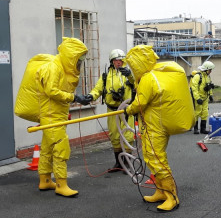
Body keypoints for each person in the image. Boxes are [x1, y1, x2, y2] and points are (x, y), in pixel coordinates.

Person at [124, 45, 195, 212]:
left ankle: (172, 196)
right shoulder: (158, 74)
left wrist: (127, 110)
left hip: (155, 128)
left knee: (157, 160)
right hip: (155, 126)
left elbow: (139, 103)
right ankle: (161, 191)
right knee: (152, 158)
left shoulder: (149, 78)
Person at [15, 37, 88, 197]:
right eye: (78, 58)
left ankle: (45, 180)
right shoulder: (53, 68)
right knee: (61, 148)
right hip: (51, 116)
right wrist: (74, 98)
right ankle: (61, 184)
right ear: (70, 55)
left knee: (48, 149)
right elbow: (52, 91)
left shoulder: (61, 68)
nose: (79, 62)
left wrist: (75, 98)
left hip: (57, 115)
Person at [81, 49, 135, 172]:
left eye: (121, 60)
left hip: (127, 110)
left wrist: (130, 76)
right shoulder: (106, 75)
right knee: (114, 136)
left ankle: (127, 164)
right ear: (112, 61)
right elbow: (98, 89)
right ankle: (118, 163)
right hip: (112, 110)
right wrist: (90, 96)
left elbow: (137, 83)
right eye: (116, 60)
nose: (119, 62)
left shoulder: (129, 74)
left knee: (127, 136)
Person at [190, 61, 215, 134]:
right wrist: (197, 98)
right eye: (210, 70)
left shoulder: (207, 77)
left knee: (205, 113)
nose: (211, 71)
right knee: (197, 113)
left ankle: (202, 129)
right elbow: (194, 88)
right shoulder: (197, 76)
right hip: (199, 98)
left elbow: (208, 86)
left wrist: (210, 95)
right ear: (206, 69)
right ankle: (195, 128)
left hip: (205, 98)